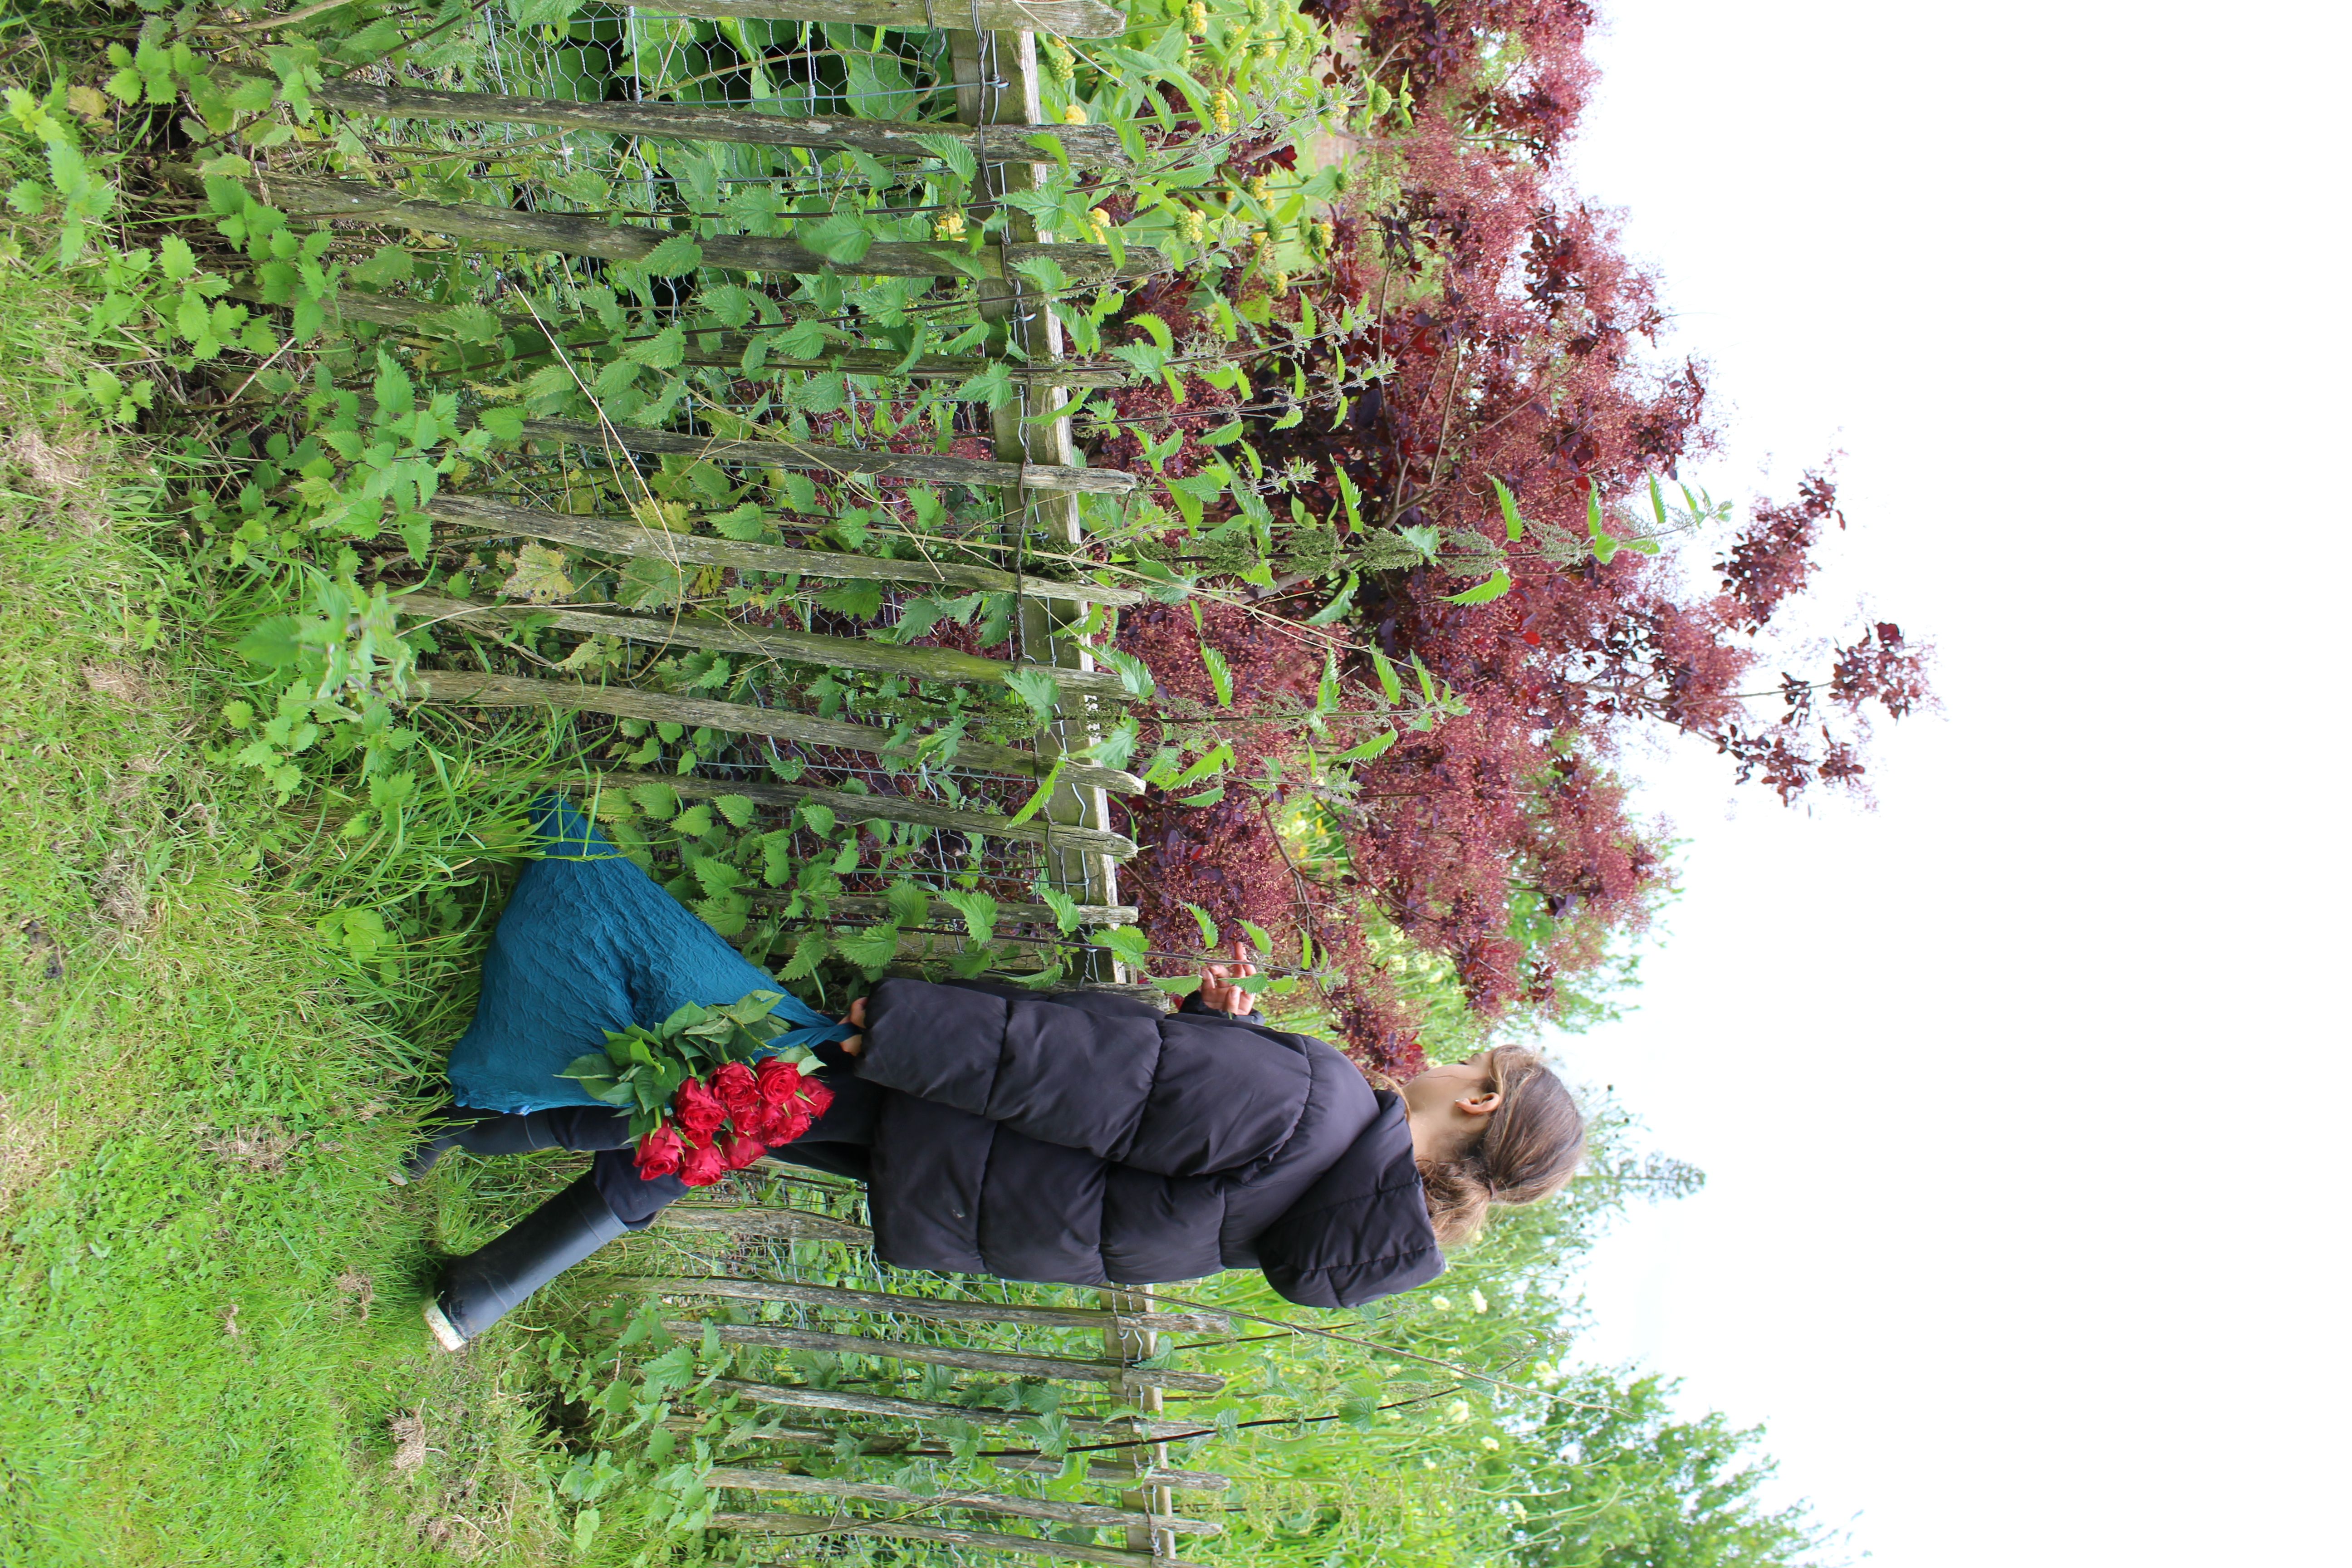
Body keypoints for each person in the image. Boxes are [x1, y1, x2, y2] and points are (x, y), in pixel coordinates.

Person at [412, 796, 1588, 1351]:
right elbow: (1158, 1154)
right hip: (960, 1177)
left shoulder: (1325, 1107)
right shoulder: (1333, 1202)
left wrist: (913, 1032)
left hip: (955, 1105)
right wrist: (1216, 1032)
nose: (1437, 1059)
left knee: (729, 1090)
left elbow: (1097, 1082)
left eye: (1468, 1063)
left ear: (1478, 1104)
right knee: (724, 1112)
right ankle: (476, 1231)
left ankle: (471, 1149)